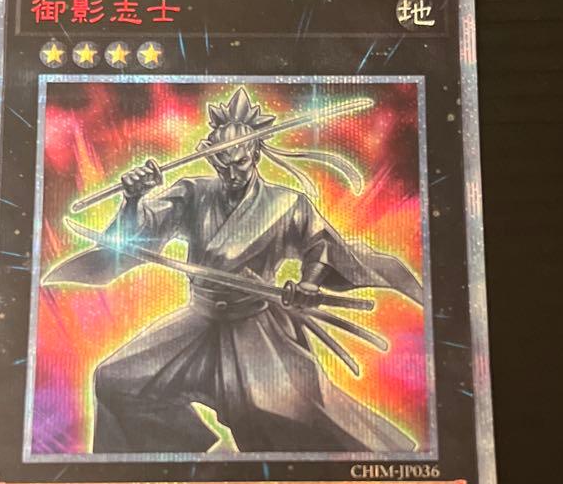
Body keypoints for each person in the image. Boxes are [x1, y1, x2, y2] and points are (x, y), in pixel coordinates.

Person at [46, 87, 423, 454]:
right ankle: (170, 460)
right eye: (222, 163)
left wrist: (308, 284)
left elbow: (319, 245)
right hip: (199, 322)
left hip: (253, 327)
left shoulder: (285, 202)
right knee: (115, 380)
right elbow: (138, 236)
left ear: (255, 153)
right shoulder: (193, 193)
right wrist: (134, 199)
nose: (232, 172)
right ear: (211, 159)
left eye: (240, 162)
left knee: (277, 414)